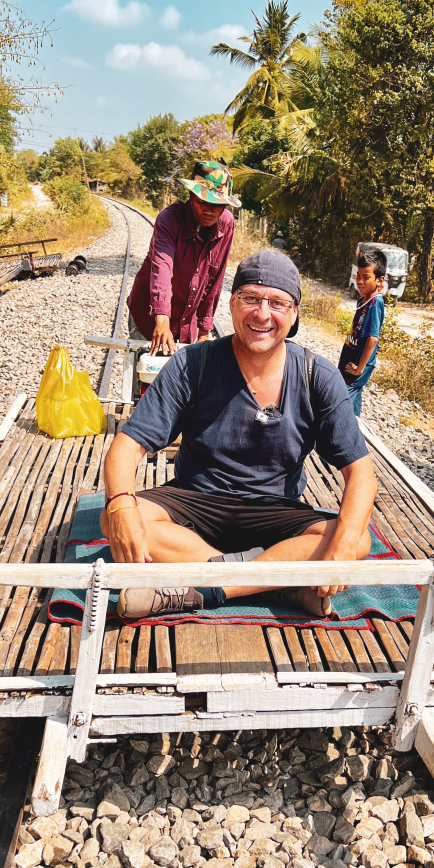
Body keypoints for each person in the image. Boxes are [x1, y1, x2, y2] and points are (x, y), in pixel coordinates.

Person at [101, 249, 378, 620]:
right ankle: (278, 581)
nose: (262, 314)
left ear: (294, 314)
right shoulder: (193, 364)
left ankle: (205, 589)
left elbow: (361, 474)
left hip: (275, 511)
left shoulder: (318, 377)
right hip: (196, 502)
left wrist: (342, 546)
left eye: (277, 303)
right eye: (250, 298)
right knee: (115, 517)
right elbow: (125, 447)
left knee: (356, 538)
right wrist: (121, 504)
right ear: (231, 305)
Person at [126, 161, 239, 356]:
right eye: (202, 202)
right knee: (147, 370)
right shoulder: (169, 220)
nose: (209, 210)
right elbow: (162, 268)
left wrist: (204, 330)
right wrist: (162, 317)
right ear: (191, 196)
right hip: (149, 317)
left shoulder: (226, 225)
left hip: (186, 321)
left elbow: (215, 279)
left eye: (217, 205)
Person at [339, 248, 387, 417]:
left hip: (357, 366)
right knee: (353, 404)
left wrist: (360, 369)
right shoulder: (364, 299)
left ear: (379, 280)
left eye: (366, 278)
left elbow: (372, 339)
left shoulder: (374, 303)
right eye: (358, 276)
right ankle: (356, 428)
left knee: (340, 403)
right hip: (350, 359)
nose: (360, 281)